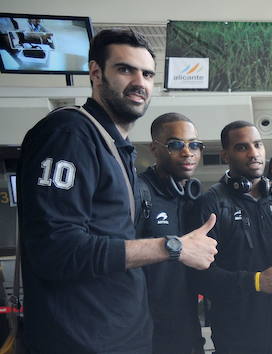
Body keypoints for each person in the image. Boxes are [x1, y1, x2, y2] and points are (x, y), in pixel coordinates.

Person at [16, 28, 217, 353]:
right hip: (81, 341)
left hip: (124, 337)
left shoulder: (115, 147)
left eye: (147, 73)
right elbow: (55, 249)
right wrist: (174, 247)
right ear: (96, 73)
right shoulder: (70, 134)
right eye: (125, 69)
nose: (140, 81)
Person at [193, 121, 272, 354]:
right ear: (225, 155)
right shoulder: (211, 205)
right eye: (242, 147)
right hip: (237, 338)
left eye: (257, 145)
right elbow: (200, 276)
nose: (253, 153)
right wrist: (256, 281)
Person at [134, 112, 207, 354]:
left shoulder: (192, 199)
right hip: (145, 334)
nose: (188, 152)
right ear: (155, 148)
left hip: (187, 331)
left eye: (194, 145)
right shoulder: (138, 193)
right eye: (176, 145)